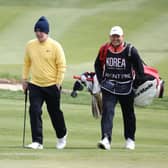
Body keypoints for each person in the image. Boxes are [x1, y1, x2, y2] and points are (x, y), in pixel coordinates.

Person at [94, 26, 145, 150]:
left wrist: (135, 86)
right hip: (109, 86)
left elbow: (140, 70)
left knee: (128, 114)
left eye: (118, 36)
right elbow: (97, 65)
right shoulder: (104, 49)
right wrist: (101, 81)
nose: (115, 38)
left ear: (122, 37)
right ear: (110, 37)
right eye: (113, 36)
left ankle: (130, 139)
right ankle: (106, 139)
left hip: (127, 87)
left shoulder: (131, 50)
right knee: (107, 112)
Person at [22, 16, 67, 150]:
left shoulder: (55, 46)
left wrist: (58, 83)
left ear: (47, 32)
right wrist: (24, 79)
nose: (38, 33)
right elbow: (26, 63)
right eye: (36, 30)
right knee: (34, 110)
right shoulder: (30, 45)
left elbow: (62, 65)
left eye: (41, 31)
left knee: (55, 113)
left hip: (52, 85)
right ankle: (37, 141)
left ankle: (61, 136)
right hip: (35, 84)